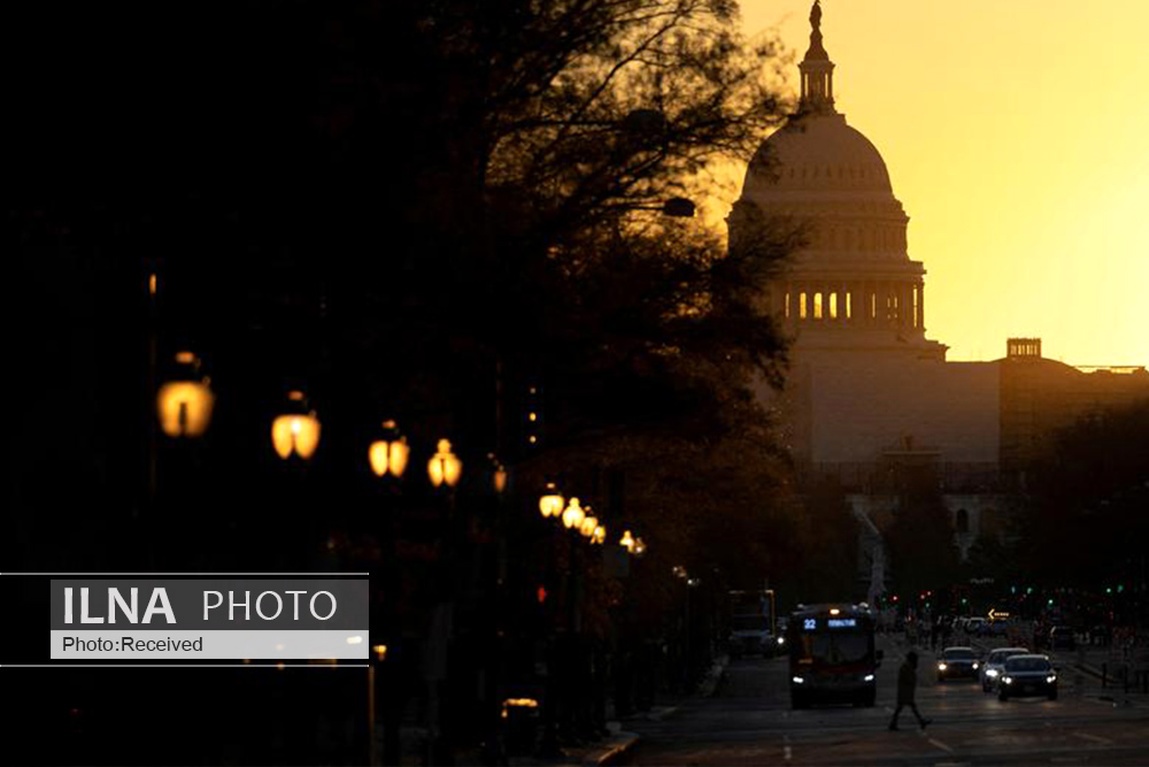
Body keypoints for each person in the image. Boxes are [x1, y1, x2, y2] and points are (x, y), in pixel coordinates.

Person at [888, 650, 931, 731]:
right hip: (905, 693)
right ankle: (893, 724)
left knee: (905, 708)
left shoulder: (908, 667)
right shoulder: (906, 667)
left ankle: (921, 721)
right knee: (903, 708)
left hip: (907, 692)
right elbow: (909, 679)